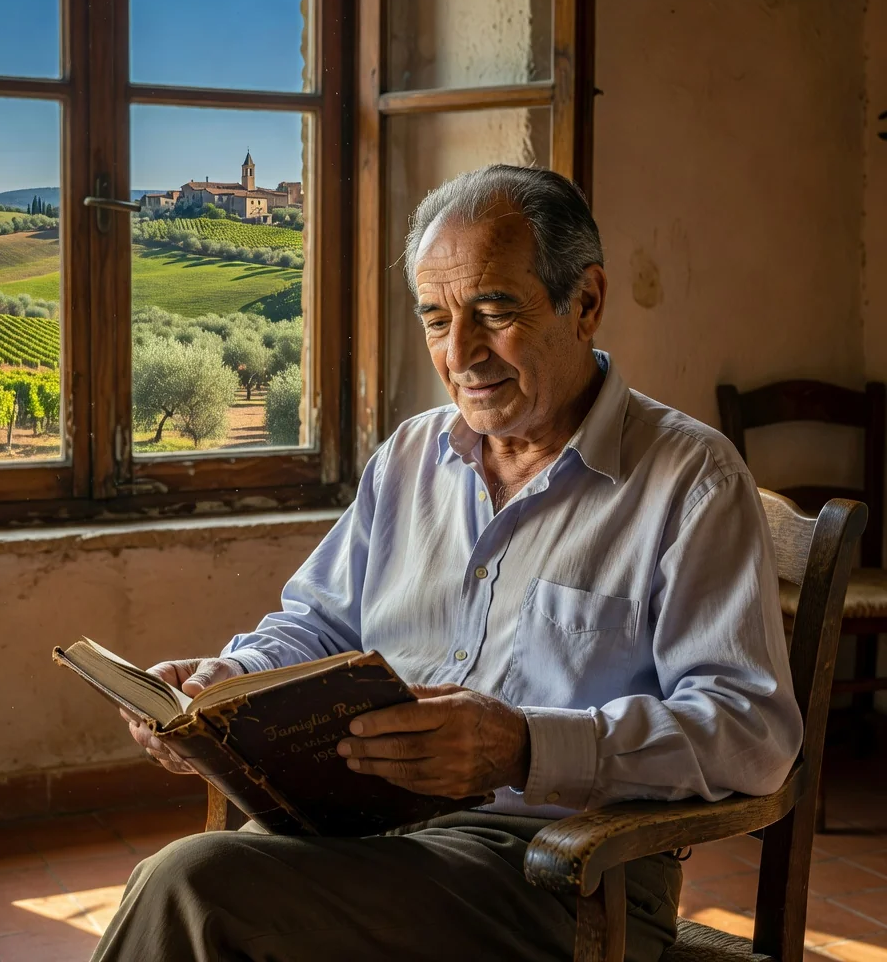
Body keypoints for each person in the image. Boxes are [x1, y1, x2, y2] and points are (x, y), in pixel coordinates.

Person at [92, 165, 803, 962]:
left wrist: (526, 746)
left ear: (588, 302)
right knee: (203, 891)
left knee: (194, 886)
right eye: (435, 319)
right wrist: (230, 682)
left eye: (493, 311)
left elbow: (754, 730)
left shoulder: (689, 480)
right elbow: (319, 623)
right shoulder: (410, 457)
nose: (460, 352)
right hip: (371, 836)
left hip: (564, 877)